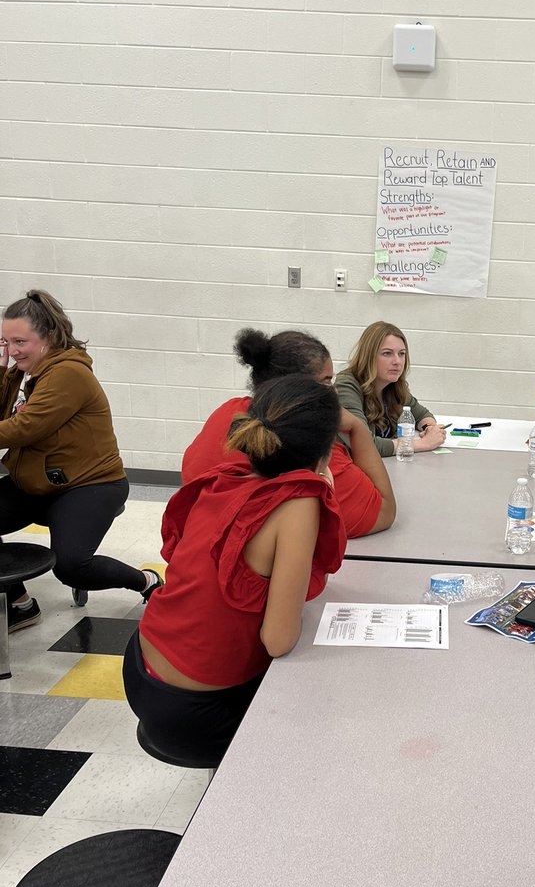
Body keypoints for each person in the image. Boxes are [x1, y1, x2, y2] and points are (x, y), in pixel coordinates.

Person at [124, 374, 346, 765]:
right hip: (194, 709)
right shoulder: (298, 504)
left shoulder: (224, 480)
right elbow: (278, 639)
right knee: (327, 721)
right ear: (327, 451)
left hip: (141, 665)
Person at [0, 289, 161, 630]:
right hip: (38, 481)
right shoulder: (22, 372)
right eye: (5, 342)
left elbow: (22, 429)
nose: (12, 351)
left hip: (91, 485)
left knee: (71, 564)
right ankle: (19, 603)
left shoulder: (67, 374)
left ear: (47, 337)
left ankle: (147, 583)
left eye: (20, 341)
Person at [182, 327, 396, 537]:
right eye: (326, 381)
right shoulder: (309, 443)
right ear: (297, 387)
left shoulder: (227, 412)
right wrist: (358, 428)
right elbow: (384, 512)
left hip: (197, 551)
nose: (334, 392)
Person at [335, 321, 445, 458]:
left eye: (402, 354)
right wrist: (422, 444)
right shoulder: (346, 385)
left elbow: (422, 415)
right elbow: (364, 444)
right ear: (369, 356)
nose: (397, 361)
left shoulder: (392, 384)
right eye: (387, 353)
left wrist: (429, 428)